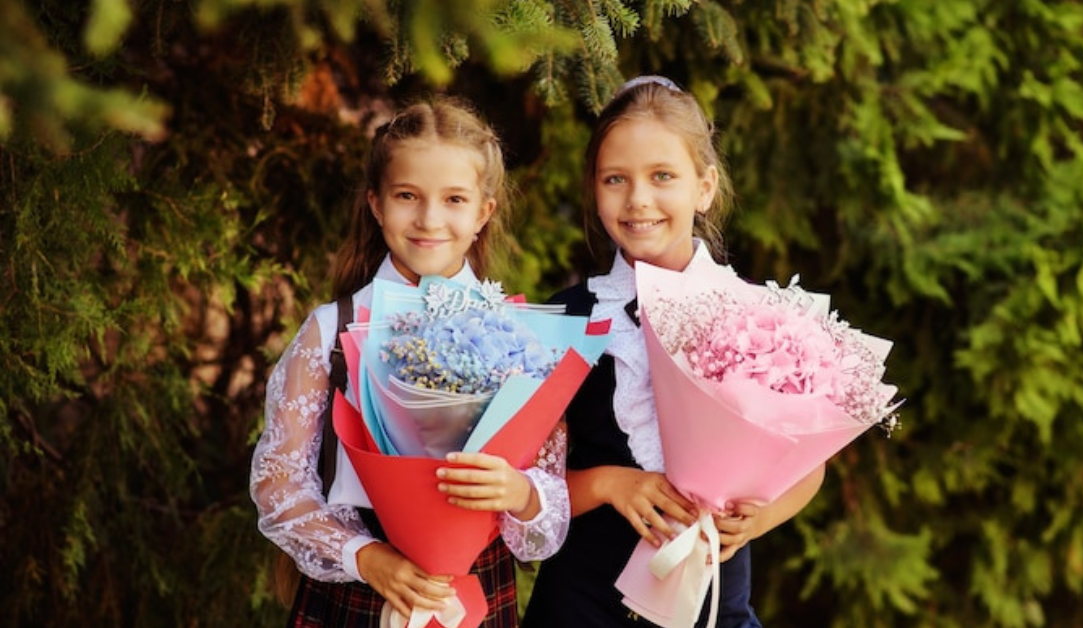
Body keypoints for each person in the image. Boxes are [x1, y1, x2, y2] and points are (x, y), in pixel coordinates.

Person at [250, 96, 569, 628]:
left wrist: (520, 493)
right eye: (407, 196)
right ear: (376, 204)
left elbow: (549, 498)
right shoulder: (332, 330)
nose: (428, 218)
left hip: (475, 590)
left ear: (482, 213)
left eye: (454, 199)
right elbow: (279, 485)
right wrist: (364, 556)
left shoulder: (520, 338)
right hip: (362, 588)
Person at [521, 76, 826, 628]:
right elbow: (522, 486)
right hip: (580, 610)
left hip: (713, 609)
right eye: (616, 179)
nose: (638, 199)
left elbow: (810, 465)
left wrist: (759, 521)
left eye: (662, 176)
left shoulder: (760, 320)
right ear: (594, 188)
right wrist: (610, 484)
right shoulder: (564, 319)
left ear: (704, 186)